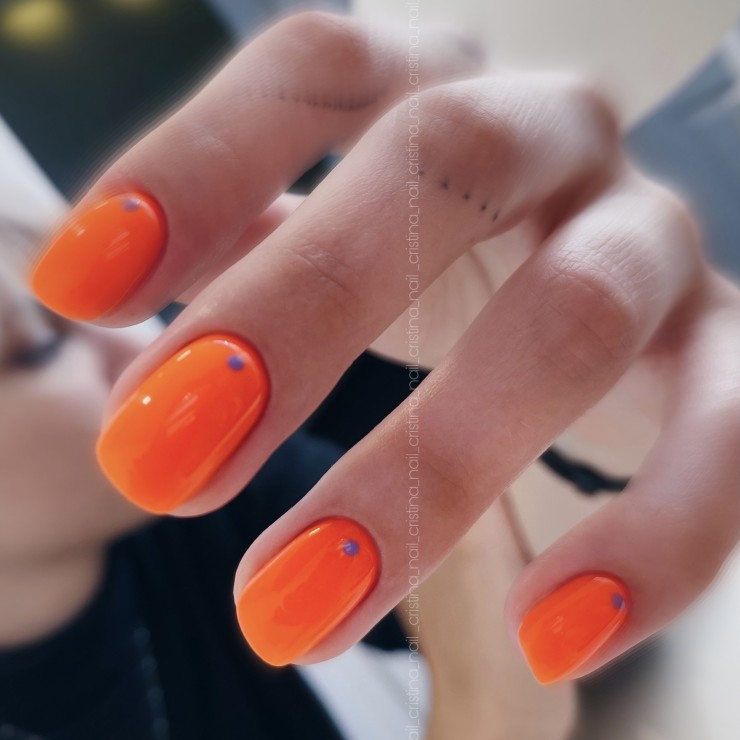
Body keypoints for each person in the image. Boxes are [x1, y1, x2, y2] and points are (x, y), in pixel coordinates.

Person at [3, 6, 740, 739]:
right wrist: (484, 706)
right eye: (36, 349)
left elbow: (466, 591)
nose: (137, 355)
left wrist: (581, 442)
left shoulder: (184, 526)